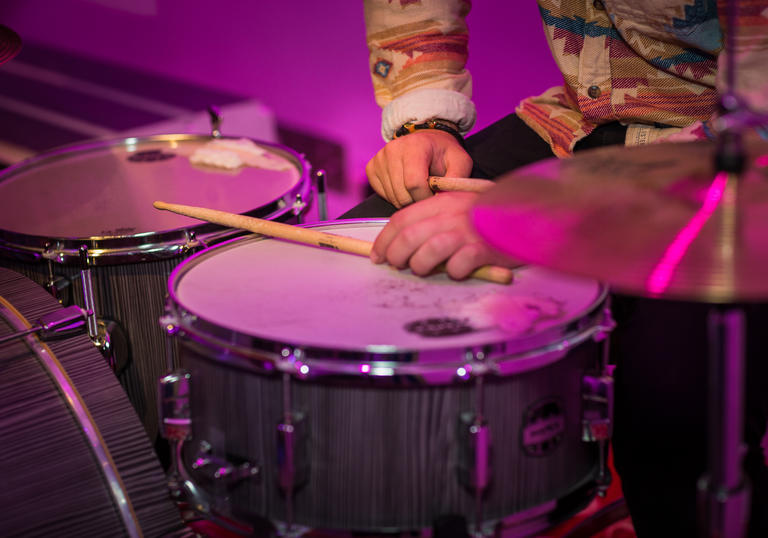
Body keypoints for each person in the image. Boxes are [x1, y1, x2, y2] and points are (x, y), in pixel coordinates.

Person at [343, 1, 768, 536]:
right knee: (355, 271)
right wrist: (425, 121)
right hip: (577, 123)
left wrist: (540, 216)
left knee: (677, 419)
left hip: (737, 159)